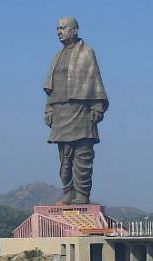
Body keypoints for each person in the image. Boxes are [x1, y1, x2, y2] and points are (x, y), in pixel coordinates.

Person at [43, 16, 108, 205]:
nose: (59, 31)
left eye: (63, 28)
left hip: (81, 110)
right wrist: (48, 109)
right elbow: (50, 88)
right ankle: (69, 191)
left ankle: (82, 194)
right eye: (57, 28)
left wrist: (97, 105)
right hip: (60, 111)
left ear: (75, 30)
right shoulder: (57, 56)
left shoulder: (86, 52)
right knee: (64, 158)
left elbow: (94, 79)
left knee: (82, 155)